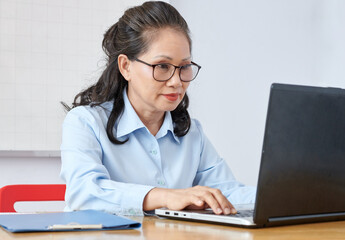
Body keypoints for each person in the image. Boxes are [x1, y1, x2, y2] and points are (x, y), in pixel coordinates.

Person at [60, 1, 255, 216]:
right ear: (126, 66)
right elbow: (84, 192)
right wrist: (166, 196)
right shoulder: (85, 122)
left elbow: (226, 193)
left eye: (184, 67)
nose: (176, 81)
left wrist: (290, 195)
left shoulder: (191, 133)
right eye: (162, 66)